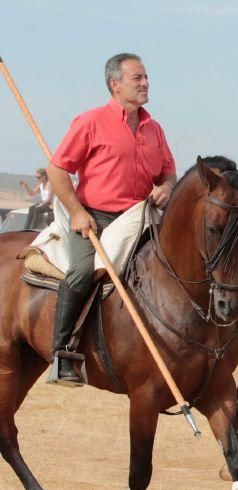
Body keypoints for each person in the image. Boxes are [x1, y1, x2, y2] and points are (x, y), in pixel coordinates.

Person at [47, 53, 176, 385]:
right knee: (80, 272)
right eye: (138, 78)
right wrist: (77, 212)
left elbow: (169, 172)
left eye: (146, 77)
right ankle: (63, 354)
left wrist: (166, 187)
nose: (146, 83)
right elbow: (58, 171)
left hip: (139, 218)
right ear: (114, 84)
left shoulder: (154, 128)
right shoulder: (90, 122)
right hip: (94, 220)